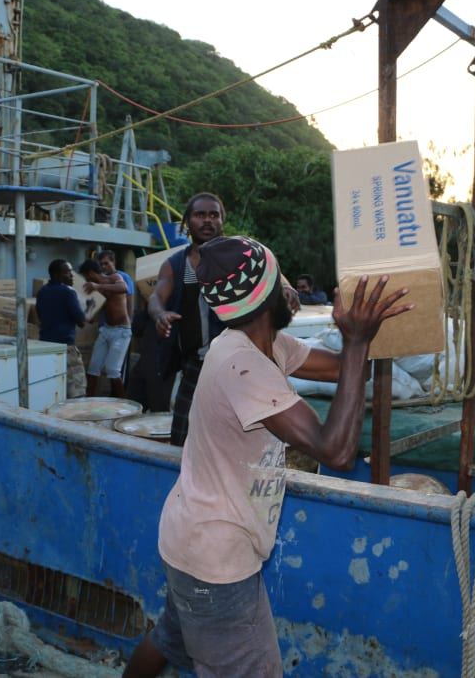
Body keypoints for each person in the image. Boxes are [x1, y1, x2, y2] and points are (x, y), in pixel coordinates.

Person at [122, 236, 412, 677]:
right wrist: (355, 342)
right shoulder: (244, 366)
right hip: (217, 559)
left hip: (190, 539)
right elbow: (335, 450)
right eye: (282, 281)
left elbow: (348, 369)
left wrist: (360, 330)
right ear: (267, 296)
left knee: (170, 639)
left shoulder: (265, 344)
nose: (293, 289)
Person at [146, 192, 228, 445]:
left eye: (213, 215)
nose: (207, 221)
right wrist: (160, 314)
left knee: (230, 440)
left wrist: (287, 288)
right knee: (182, 438)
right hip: (196, 364)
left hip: (235, 364)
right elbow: (156, 296)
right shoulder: (176, 263)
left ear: (222, 220)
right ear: (187, 222)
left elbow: (271, 270)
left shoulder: (239, 255)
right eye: (199, 215)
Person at [35, 259, 88, 399]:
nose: (72, 276)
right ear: (58, 274)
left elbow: (40, 315)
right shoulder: (68, 292)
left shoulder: (42, 292)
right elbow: (81, 321)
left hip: (45, 347)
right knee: (77, 390)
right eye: (68, 272)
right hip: (66, 347)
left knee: (52, 390)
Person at [79, 258, 130, 398]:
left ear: (89, 274)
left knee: (113, 370)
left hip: (121, 331)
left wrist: (98, 287)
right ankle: (88, 402)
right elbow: (98, 308)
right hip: (106, 330)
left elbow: (124, 288)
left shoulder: (114, 278)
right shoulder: (95, 289)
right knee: (93, 368)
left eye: (85, 276)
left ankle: (125, 406)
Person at [98, 249, 135, 386]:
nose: (104, 267)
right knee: (104, 368)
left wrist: (128, 324)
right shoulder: (102, 278)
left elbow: (130, 300)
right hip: (106, 327)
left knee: (116, 370)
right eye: (101, 264)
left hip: (121, 329)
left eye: (106, 263)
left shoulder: (123, 278)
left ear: (113, 262)